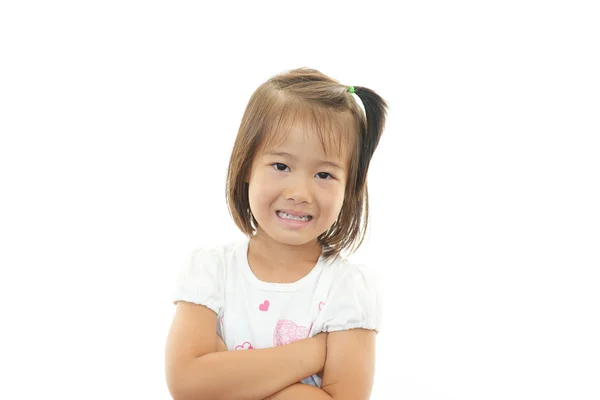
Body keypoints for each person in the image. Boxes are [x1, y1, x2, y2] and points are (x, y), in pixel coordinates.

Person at [165, 67, 388, 400]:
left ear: (349, 188)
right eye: (281, 166)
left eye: (324, 174)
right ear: (246, 168)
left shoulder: (347, 290)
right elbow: (188, 384)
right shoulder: (211, 271)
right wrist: (315, 352)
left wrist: (228, 379)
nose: (300, 192)